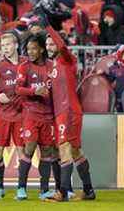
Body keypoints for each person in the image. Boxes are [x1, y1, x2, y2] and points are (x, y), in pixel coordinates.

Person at [43, 13, 96, 202]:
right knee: (74, 151)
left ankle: (63, 192)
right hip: (60, 113)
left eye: (52, 44)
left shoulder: (68, 59)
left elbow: (63, 46)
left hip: (69, 111)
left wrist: (48, 27)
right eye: (47, 44)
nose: (49, 47)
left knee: (64, 148)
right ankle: (89, 191)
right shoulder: (52, 66)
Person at [0, 32, 26, 200]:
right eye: (2, 46)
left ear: (16, 45)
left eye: (8, 45)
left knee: (22, 153)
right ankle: (0, 187)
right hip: (3, 114)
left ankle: (21, 188)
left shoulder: (26, 63)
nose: (5, 49)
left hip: (22, 115)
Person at [15, 33, 54, 200]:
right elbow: (18, 89)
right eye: (28, 49)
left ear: (42, 49)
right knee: (29, 149)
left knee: (46, 152)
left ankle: (44, 190)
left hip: (48, 115)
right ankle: (21, 188)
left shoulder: (51, 66)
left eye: (33, 48)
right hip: (31, 114)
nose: (30, 52)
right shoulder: (24, 67)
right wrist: (34, 91)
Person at [98, 45, 124, 112]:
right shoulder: (115, 69)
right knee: (120, 113)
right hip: (119, 97)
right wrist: (103, 74)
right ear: (120, 56)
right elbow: (110, 78)